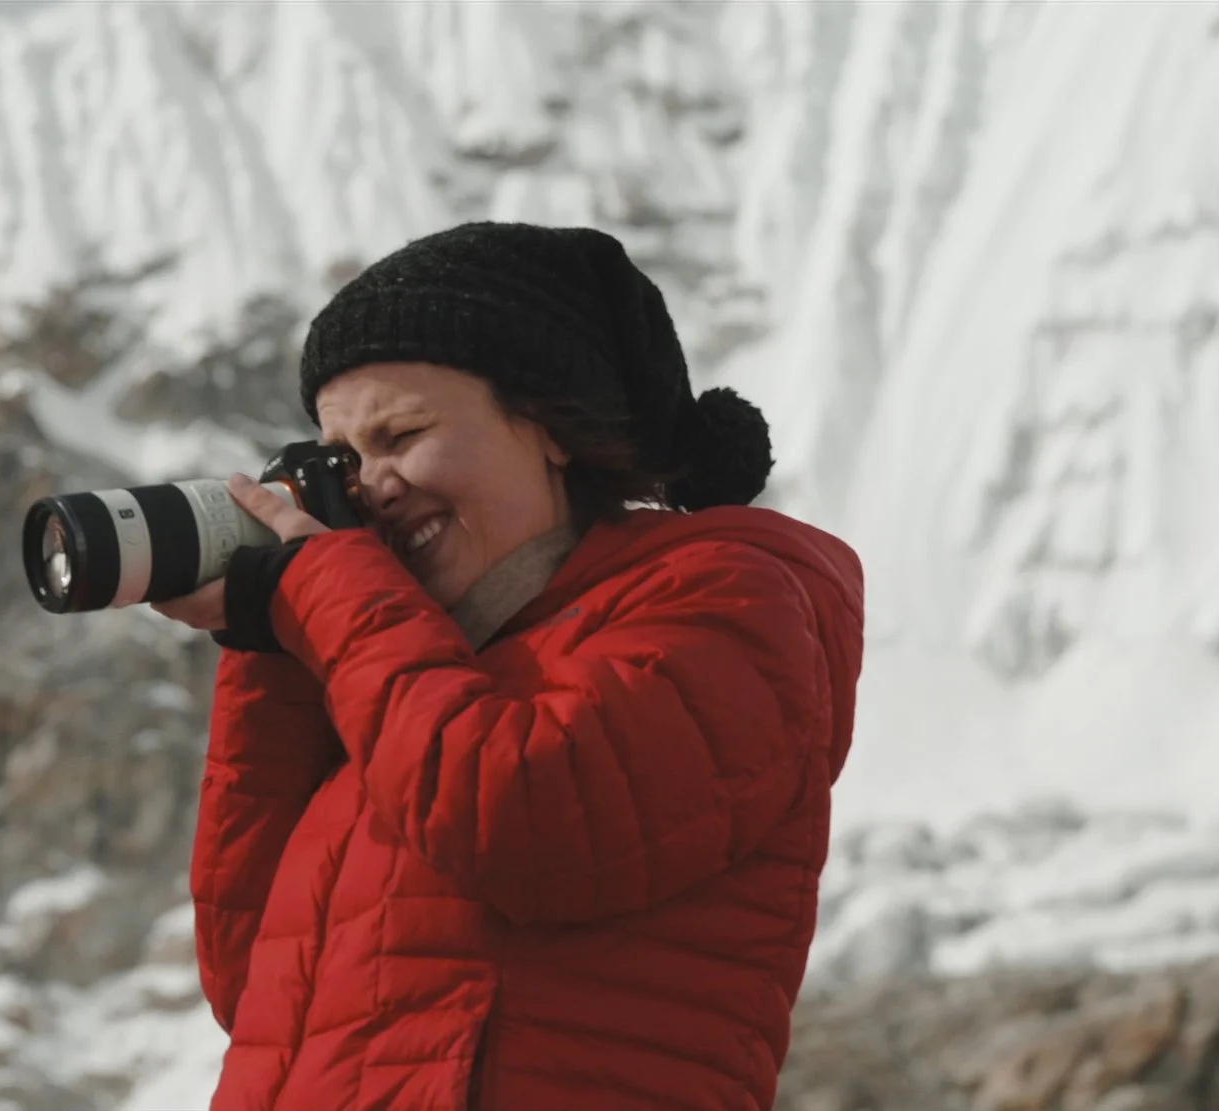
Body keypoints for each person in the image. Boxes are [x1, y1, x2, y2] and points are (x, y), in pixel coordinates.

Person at [151, 222, 864, 1110]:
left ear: (549, 423)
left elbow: (523, 814)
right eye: (343, 458)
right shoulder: (408, 679)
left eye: (401, 433)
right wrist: (275, 649)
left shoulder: (728, 600)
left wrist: (331, 596)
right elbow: (255, 981)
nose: (370, 487)